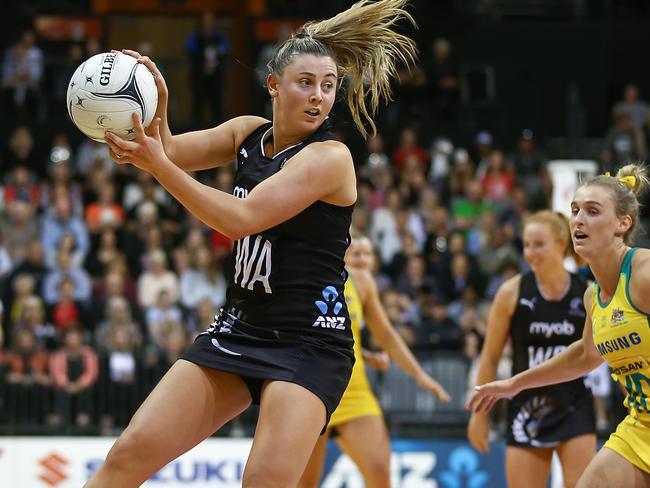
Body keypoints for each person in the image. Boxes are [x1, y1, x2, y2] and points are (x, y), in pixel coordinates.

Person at [85, 1, 417, 486]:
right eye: (306, 83)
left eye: (328, 86)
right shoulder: (247, 134)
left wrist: (156, 164)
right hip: (240, 327)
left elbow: (240, 219)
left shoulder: (330, 157)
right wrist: (152, 110)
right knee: (128, 455)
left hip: (310, 340)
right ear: (274, 85)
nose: (319, 97)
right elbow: (172, 150)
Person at [467, 164, 650, 487]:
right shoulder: (593, 296)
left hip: (576, 412)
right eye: (575, 210)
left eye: (593, 211)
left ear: (623, 223)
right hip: (639, 425)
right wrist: (514, 384)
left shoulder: (643, 273)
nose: (578, 219)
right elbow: (585, 356)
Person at [298, 235, 450, 487]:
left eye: (367, 254)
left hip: (353, 391)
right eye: (355, 253)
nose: (361, 260)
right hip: (311, 388)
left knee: (380, 471)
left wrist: (419, 374)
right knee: (305, 483)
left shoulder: (362, 283)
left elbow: (386, 335)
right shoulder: (309, 274)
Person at [467, 210, 596, 488]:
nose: (530, 252)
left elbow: (608, 351)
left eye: (539, 244)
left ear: (561, 243)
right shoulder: (511, 293)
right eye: (526, 245)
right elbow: (490, 357)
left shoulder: (586, 292)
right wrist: (479, 416)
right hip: (525, 409)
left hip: (574, 406)